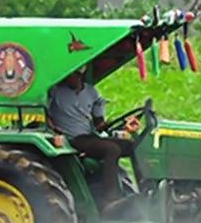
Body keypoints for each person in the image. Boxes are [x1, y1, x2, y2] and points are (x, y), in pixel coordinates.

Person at [46, 66, 140, 210]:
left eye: (73, 75)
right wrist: (54, 129)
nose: (69, 78)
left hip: (90, 137)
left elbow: (99, 124)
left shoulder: (91, 92)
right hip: (74, 139)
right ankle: (111, 199)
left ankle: (145, 188)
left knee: (134, 145)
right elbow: (45, 114)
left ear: (80, 75)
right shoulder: (56, 92)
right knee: (111, 149)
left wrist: (120, 124)